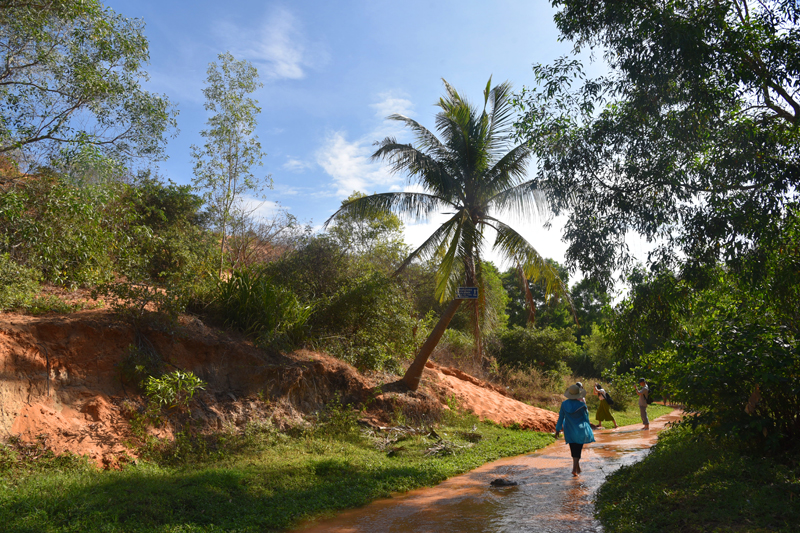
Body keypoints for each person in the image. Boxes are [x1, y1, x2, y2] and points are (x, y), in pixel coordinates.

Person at [554, 383, 596, 476]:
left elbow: (561, 417)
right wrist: (588, 428)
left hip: (569, 429)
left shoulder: (564, 404)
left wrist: (557, 430)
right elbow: (586, 418)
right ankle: (574, 469)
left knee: (573, 448)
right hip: (580, 429)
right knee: (578, 449)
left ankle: (577, 468)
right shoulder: (582, 405)